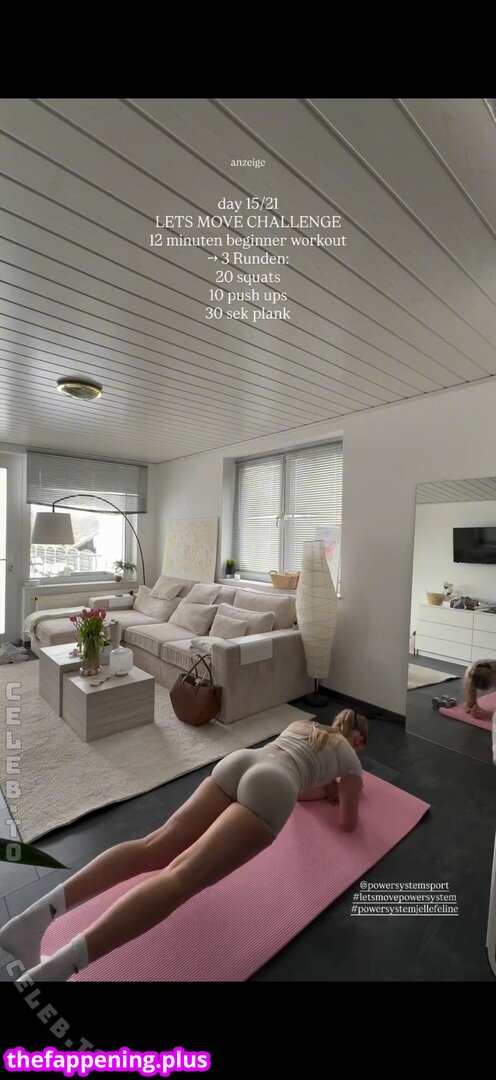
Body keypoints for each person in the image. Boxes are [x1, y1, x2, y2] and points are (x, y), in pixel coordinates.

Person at [0, 708, 368, 984]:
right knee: (182, 877)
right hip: (275, 786)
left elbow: (299, 780)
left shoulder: (303, 725)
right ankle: (56, 972)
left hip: (243, 761)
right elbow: (347, 822)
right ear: (359, 741)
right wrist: (336, 790)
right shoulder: (350, 758)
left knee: (152, 845)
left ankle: (29, 922)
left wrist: (319, 788)